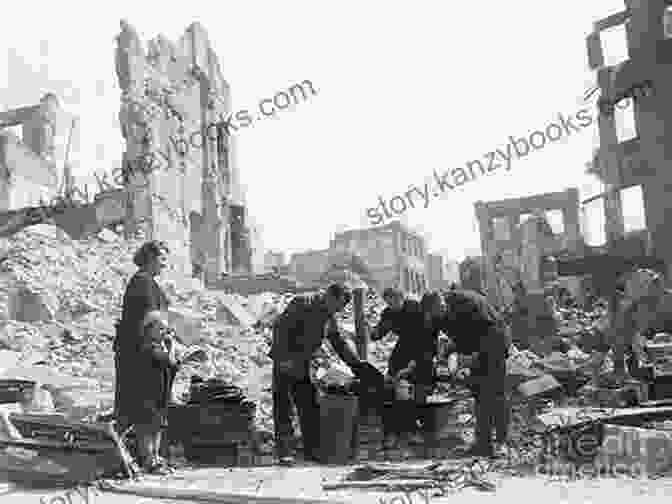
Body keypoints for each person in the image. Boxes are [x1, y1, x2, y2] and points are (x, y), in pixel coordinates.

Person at [271, 283, 366, 465]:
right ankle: (285, 451)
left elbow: (338, 342)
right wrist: (283, 358)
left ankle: (312, 451)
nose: (337, 311)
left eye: (340, 309)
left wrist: (356, 365)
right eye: (336, 306)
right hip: (286, 360)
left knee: (309, 405)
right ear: (330, 296)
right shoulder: (302, 303)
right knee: (283, 406)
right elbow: (280, 328)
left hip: (304, 363)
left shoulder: (328, 316)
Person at [115, 240, 179, 474]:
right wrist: (165, 339)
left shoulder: (150, 283)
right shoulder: (141, 282)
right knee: (147, 407)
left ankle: (155, 457)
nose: (165, 263)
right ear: (150, 258)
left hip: (154, 351)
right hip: (142, 355)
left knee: (157, 406)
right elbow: (150, 321)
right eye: (162, 258)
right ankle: (148, 458)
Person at [441, 288, 510, 458]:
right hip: (491, 346)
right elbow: (464, 337)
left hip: (493, 349)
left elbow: (472, 335)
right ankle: (485, 443)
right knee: (482, 397)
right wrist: (452, 351)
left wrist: (465, 357)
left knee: (494, 396)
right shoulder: (464, 303)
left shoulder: (463, 307)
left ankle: (499, 442)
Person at [370, 287, 424, 447]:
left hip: (419, 350)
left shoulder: (414, 307)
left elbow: (424, 334)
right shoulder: (388, 313)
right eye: (388, 302)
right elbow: (381, 331)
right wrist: (374, 333)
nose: (391, 305)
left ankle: (412, 432)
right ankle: (392, 434)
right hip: (401, 351)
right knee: (391, 390)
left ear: (401, 297)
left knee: (410, 393)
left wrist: (414, 363)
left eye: (394, 300)